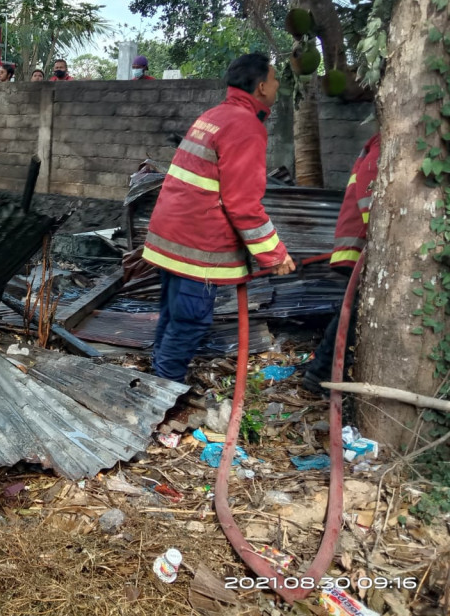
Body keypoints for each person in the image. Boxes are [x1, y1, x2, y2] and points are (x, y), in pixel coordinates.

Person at [142, 52, 296, 383]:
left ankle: (158, 381)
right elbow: (243, 203)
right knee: (190, 321)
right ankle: (163, 390)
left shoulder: (214, 115)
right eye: (274, 78)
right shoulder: (245, 127)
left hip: (173, 235)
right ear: (260, 86)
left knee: (173, 316)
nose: (278, 84)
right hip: (197, 244)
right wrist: (275, 255)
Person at [302, 132, 381, 395]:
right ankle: (322, 374)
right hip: (363, 246)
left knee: (353, 312)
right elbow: (368, 189)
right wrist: (379, 235)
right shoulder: (385, 143)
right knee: (353, 312)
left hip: (363, 246)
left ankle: (325, 372)